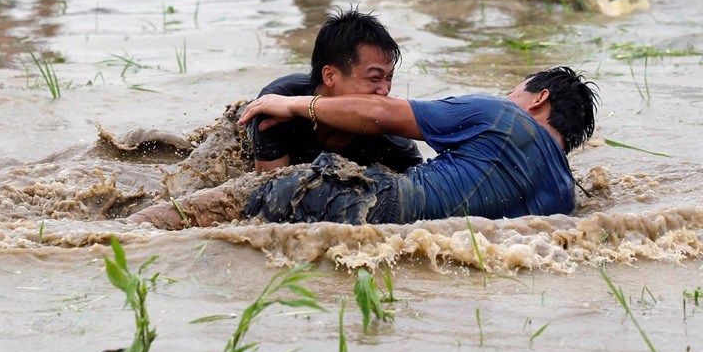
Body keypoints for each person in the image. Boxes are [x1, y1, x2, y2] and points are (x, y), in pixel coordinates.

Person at [129, 67, 597, 229]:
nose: (507, 98)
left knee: (223, 204)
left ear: (538, 100)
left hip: (378, 202)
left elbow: (381, 113)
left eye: (515, 91)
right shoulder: (565, 195)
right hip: (416, 235)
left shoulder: (501, 117)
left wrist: (294, 105)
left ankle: (112, 234)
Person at [249, 8, 421, 173]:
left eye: (389, 78)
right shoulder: (276, 109)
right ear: (330, 76)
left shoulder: (393, 140)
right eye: (374, 78)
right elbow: (269, 195)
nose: (384, 91)